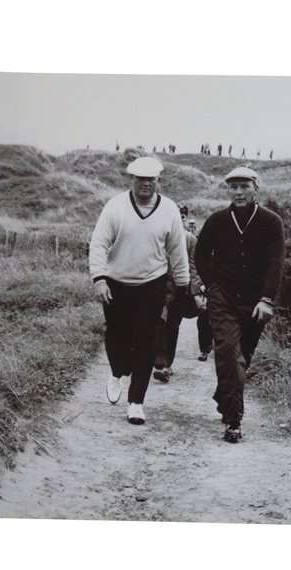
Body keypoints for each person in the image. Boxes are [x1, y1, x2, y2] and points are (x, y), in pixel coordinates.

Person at [89, 157, 189, 425]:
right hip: (116, 283)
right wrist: (99, 278)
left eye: (151, 179)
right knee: (117, 335)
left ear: (158, 181)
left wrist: (183, 285)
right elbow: (98, 244)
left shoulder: (169, 210)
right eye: (140, 179)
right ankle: (117, 371)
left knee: (147, 341)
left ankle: (136, 402)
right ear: (131, 179)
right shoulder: (115, 207)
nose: (145, 184)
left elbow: (178, 251)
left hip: (152, 284)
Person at [195, 166, 285, 443]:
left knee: (242, 356)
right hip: (222, 297)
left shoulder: (271, 222)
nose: (238, 192)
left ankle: (225, 396)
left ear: (256, 188)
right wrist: (211, 287)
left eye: (244, 186)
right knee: (227, 351)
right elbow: (200, 255)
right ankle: (233, 421)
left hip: (256, 301)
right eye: (233, 187)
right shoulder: (217, 220)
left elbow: (275, 262)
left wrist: (267, 299)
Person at [153, 206, 212, 382]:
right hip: (159, 288)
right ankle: (161, 364)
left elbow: (194, 269)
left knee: (172, 326)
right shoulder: (157, 236)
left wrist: (194, 293)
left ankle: (167, 364)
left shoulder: (190, 240)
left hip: (181, 290)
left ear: (184, 218)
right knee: (159, 322)